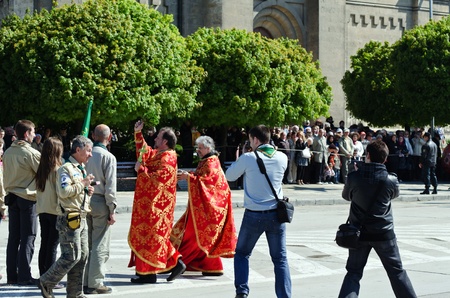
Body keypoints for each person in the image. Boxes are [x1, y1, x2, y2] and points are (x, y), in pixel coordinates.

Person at [338, 140, 416, 298]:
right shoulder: (391, 180)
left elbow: (347, 196)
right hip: (384, 233)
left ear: (367, 155)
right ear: (385, 159)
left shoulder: (354, 177)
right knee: (397, 273)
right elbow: (394, 195)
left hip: (358, 233)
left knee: (353, 273)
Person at [226, 125, 291, 298]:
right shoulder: (282, 157)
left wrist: (239, 159)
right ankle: (284, 295)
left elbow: (229, 176)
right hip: (276, 214)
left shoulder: (248, 158)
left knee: (242, 254)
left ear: (255, 139)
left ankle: (242, 292)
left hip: (254, 214)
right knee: (280, 259)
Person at [128, 121, 186, 284]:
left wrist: (141, 170)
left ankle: (150, 273)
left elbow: (156, 182)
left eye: (158, 137)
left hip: (158, 207)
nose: (154, 139)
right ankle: (173, 264)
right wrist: (138, 133)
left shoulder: (168, 158)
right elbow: (145, 153)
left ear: (165, 141)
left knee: (151, 238)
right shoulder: (160, 154)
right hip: (153, 205)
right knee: (153, 238)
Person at [38, 135, 95, 298]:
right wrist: (83, 184)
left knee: (82, 255)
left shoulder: (80, 169)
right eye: (88, 151)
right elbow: (63, 192)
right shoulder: (66, 168)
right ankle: (46, 281)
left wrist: (87, 191)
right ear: (78, 150)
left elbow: (74, 192)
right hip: (69, 218)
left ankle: (75, 292)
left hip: (81, 216)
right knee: (71, 256)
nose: (90, 154)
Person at [171, 136, 237, 276]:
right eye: (197, 148)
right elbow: (200, 177)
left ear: (208, 148)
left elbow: (208, 184)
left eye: (200, 148)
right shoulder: (206, 161)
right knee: (196, 237)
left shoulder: (211, 162)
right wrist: (190, 175)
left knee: (191, 237)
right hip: (201, 207)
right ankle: (210, 266)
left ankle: (177, 262)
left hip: (209, 209)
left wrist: (189, 178)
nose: (198, 151)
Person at [3, 119, 41, 285]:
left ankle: (12, 275)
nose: (34, 135)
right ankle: (24, 275)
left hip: (12, 197)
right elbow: (44, 174)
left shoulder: (8, 152)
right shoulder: (31, 153)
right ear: (26, 134)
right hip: (27, 198)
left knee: (14, 238)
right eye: (32, 132)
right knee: (28, 237)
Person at [84, 124, 117, 295]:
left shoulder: (85, 154)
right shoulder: (108, 157)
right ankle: (95, 282)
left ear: (93, 136)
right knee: (99, 244)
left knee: (86, 243)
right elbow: (110, 187)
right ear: (109, 137)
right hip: (100, 201)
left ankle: (85, 279)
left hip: (84, 199)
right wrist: (112, 208)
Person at [35, 137, 64, 289]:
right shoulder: (58, 169)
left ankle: (43, 275)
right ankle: (50, 279)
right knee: (52, 245)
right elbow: (61, 192)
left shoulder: (41, 168)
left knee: (44, 243)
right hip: (54, 210)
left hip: (42, 209)